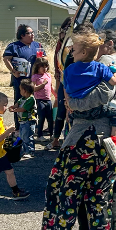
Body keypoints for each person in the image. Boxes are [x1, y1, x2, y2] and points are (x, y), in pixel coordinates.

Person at [38, 27, 116, 230]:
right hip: (111, 145)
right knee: (99, 201)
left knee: (63, 198)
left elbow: (89, 99)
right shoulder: (115, 65)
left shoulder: (104, 62)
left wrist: (74, 104)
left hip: (85, 140)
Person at [70, 29, 116, 230]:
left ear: (106, 45)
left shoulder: (106, 61)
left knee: (92, 195)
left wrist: (74, 103)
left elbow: (97, 96)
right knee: (109, 191)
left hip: (99, 136)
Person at [61, 28, 116, 162]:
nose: (72, 54)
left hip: (76, 111)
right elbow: (114, 81)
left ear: (83, 52)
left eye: (74, 51)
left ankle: (69, 139)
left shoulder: (69, 69)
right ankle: (114, 141)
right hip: (96, 110)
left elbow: (65, 87)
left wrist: (69, 103)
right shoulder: (99, 67)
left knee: (72, 123)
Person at [3, 24, 42, 128]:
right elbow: (6, 59)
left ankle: (33, 125)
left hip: (33, 79)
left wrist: (42, 59)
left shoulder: (37, 45)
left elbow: (44, 57)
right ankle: (19, 126)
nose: (32, 35)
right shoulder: (14, 46)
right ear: (22, 35)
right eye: (30, 33)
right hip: (20, 80)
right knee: (20, 102)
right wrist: (13, 71)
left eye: (33, 32)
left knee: (33, 102)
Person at [47, 17, 74, 150]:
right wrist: (58, 74)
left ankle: (66, 139)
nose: (68, 30)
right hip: (64, 80)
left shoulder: (73, 46)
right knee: (61, 109)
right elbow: (57, 58)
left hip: (72, 83)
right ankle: (55, 138)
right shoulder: (61, 44)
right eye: (67, 27)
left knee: (69, 111)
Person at [8, 79, 37, 158]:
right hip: (22, 121)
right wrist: (13, 107)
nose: (20, 91)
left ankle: (30, 151)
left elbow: (24, 109)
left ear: (25, 91)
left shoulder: (31, 99)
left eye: (20, 90)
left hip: (29, 121)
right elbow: (17, 104)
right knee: (22, 136)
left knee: (27, 136)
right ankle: (24, 150)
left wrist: (15, 110)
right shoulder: (22, 99)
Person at [30, 57, 54, 143]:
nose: (45, 69)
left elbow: (51, 86)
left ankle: (52, 134)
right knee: (41, 118)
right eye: (42, 67)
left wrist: (55, 95)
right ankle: (39, 135)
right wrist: (43, 84)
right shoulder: (35, 76)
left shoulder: (48, 75)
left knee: (50, 118)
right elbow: (34, 89)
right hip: (39, 100)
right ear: (37, 67)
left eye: (46, 66)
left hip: (48, 99)